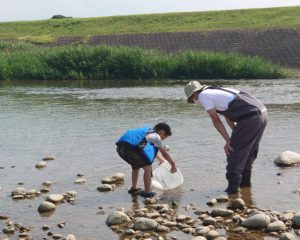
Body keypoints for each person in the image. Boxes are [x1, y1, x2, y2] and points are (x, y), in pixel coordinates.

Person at [184, 81, 268, 194]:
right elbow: (228, 116)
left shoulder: (203, 96)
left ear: (194, 95)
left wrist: (229, 141)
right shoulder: (216, 90)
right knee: (248, 152)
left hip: (250, 117)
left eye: (191, 100)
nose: (194, 102)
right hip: (261, 113)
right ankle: (245, 187)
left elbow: (215, 120)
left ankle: (232, 191)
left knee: (233, 152)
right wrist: (234, 137)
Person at [116, 122, 177, 198]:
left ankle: (134, 188)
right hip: (131, 150)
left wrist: (161, 160)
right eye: (164, 137)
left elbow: (149, 151)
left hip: (121, 148)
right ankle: (147, 192)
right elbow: (164, 153)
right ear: (162, 132)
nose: (162, 140)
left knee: (136, 166)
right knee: (148, 167)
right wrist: (173, 165)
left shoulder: (148, 132)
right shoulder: (156, 136)